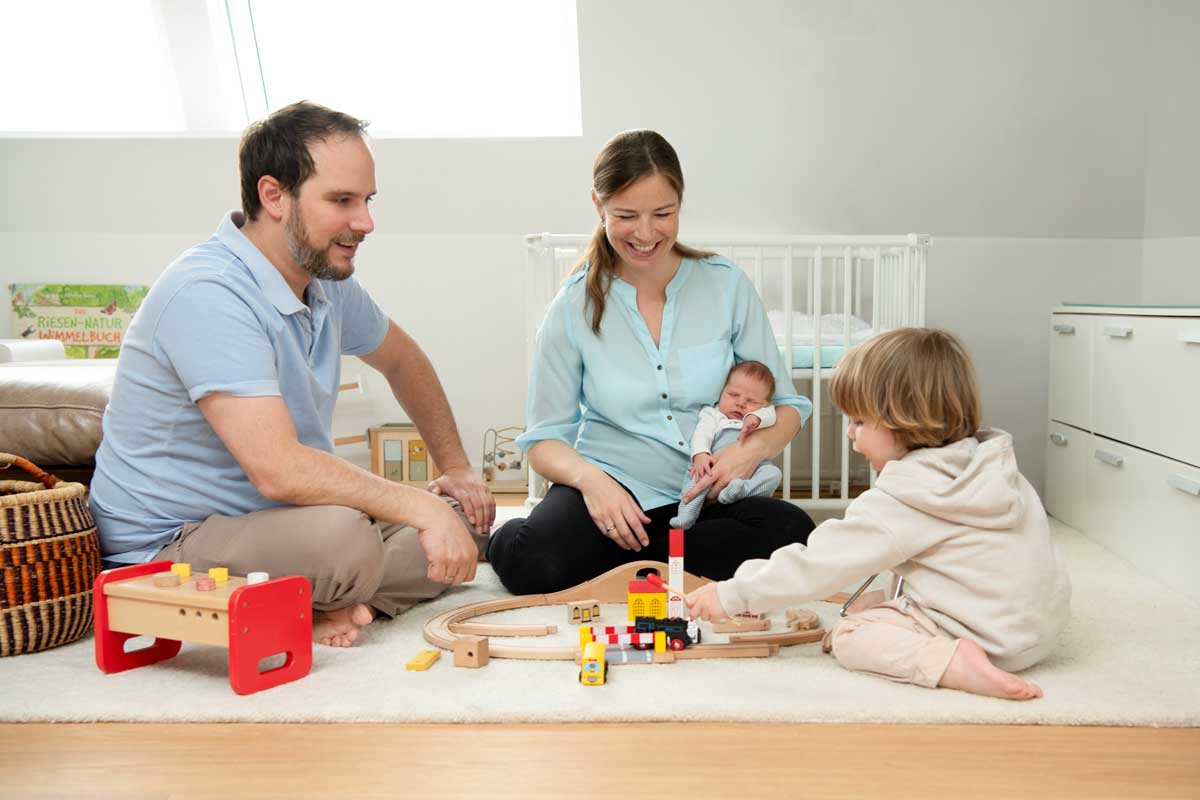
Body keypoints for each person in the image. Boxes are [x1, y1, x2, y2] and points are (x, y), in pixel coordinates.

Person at [90, 102, 496, 648]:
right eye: (342, 201)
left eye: (367, 200)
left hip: (279, 522)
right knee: (348, 540)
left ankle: (349, 604)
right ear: (274, 196)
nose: (365, 222)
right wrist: (417, 508)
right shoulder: (208, 293)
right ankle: (333, 595)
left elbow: (403, 359)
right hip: (170, 543)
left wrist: (456, 468)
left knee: (463, 517)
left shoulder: (325, 278)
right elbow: (277, 471)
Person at [487, 129, 816, 596]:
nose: (645, 234)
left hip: (706, 496)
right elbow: (543, 440)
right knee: (531, 561)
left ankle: (633, 559)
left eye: (663, 214)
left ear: (680, 204)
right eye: (626, 216)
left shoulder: (725, 286)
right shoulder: (571, 307)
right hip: (614, 485)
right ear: (599, 208)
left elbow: (786, 405)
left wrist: (749, 452)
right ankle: (666, 559)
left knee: (794, 533)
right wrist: (591, 482)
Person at [685, 328, 1071, 701]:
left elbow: (819, 564)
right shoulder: (994, 468)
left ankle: (954, 663)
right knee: (882, 595)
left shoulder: (904, 498)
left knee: (851, 635)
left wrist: (731, 594)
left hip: (989, 639)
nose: (851, 435)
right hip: (1040, 629)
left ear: (903, 421)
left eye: (858, 422)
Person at [669, 360, 783, 529]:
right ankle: (685, 516)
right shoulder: (713, 414)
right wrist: (700, 455)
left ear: (765, 404)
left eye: (751, 401)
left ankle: (742, 490)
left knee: (773, 474)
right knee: (697, 480)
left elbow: (771, 415)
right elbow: (702, 434)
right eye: (733, 395)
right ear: (722, 391)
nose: (741, 403)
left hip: (752, 468)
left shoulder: (762, 415)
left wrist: (757, 418)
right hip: (714, 462)